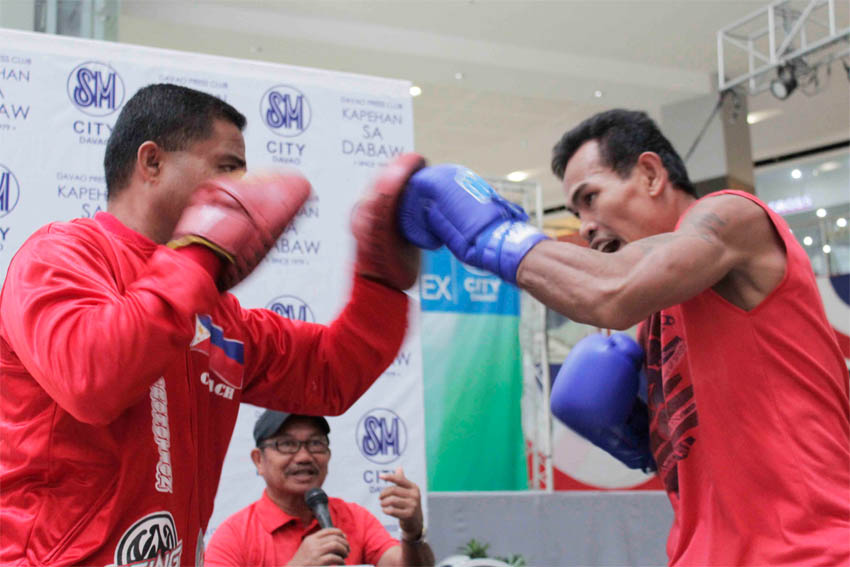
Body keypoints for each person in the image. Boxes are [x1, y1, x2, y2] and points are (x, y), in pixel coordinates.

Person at [398, 109, 850, 566]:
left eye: (590, 198)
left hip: (810, 551)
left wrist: (494, 236)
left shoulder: (733, 216)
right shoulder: (654, 320)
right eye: (576, 212)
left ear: (651, 174)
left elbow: (610, 290)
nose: (585, 225)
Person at [0, 83, 425, 566]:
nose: (241, 187)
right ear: (152, 162)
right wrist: (201, 253)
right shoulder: (58, 258)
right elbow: (94, 379)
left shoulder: (215, 310)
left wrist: (381, 279)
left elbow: (331, 372)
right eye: (226, 167)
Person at [204, 410, 435, 566]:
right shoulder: (234, 536)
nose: (304, 456)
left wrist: (412, 532)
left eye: (315, 443)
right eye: (287, 444)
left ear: (328, 455)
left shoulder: (354, 519)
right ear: (258, 460)